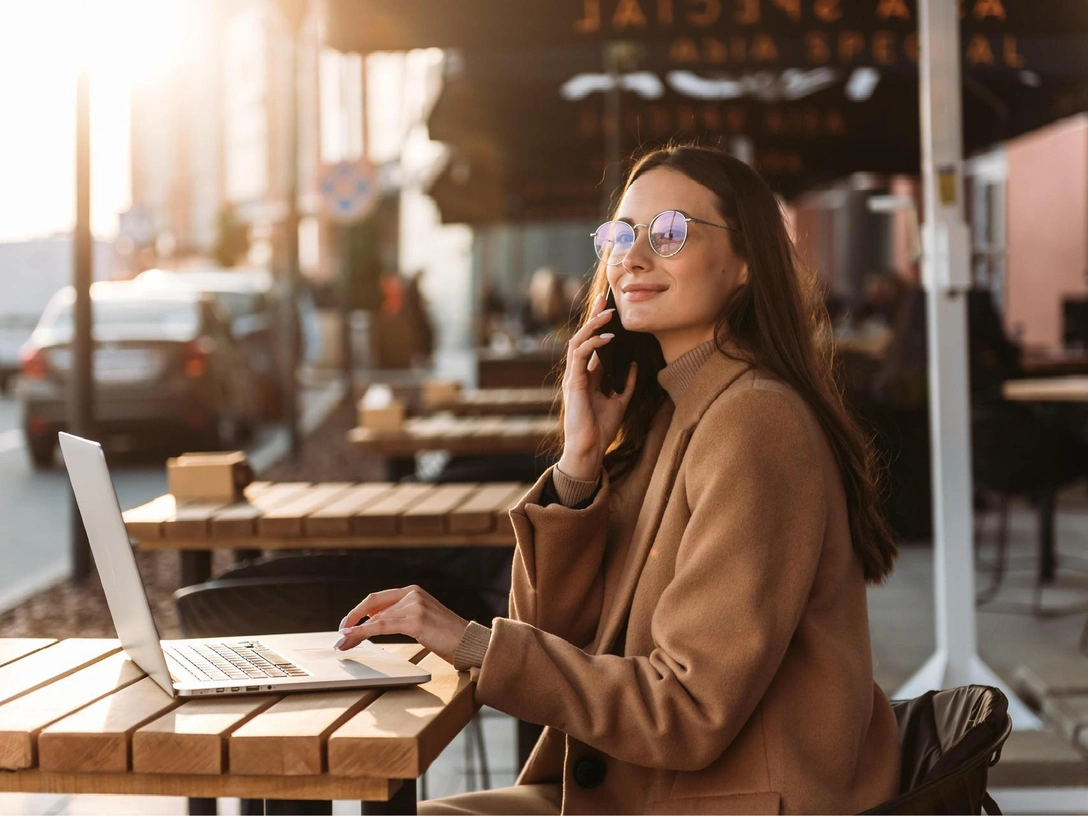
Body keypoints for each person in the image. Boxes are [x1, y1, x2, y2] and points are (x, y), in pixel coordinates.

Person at [334, 145, 902, 814]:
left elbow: (688, 709)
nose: (632, 257)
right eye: (621, 235)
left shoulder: (754, 421)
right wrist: (580, 462)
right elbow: (552, 634)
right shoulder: (673, 412)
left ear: (746, 262)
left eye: (670, 232)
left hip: (728, 799)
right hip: (654, 787)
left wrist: (470, 644)